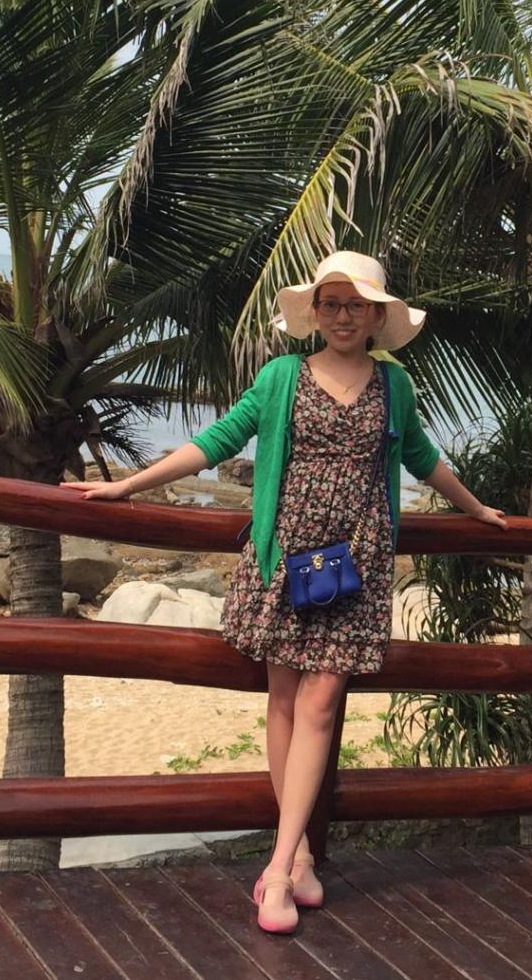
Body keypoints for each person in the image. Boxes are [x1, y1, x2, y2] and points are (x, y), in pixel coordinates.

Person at [62, 250, 506, 934]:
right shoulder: (281, 377)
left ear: (377, 317)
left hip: (355, 565)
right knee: (283, 700)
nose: (342, 316)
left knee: (320, 703)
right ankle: (297, 855)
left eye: (356, 305)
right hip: (286, 558)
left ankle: (274, 870)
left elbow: (421, 457)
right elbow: (217, 441)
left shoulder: (395, 386)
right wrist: (127, 485)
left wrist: (474, 508)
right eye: (331, 303)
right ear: (315, 313)